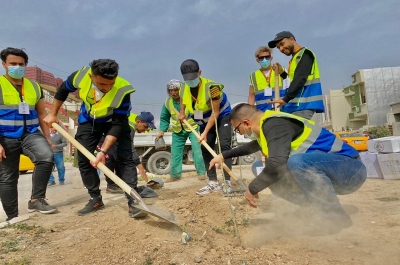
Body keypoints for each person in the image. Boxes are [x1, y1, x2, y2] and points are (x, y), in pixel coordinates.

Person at [209, 103, 367, 234]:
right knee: (271, 177)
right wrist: (223, 156)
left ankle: (334, 217)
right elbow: (251, 147)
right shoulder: (268, 128)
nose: (240, 133)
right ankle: (314, 211)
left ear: (246, 123)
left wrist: (252, 188)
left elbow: (277, 163)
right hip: (334, 172)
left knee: (295, 163)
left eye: (237, 129)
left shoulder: (275, 125)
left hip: (350, 170)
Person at [43, 59, 143, 218]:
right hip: (90, 120)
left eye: (111, 83)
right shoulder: (80, 76)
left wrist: (103, 151)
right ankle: (95, 198)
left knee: (125, 158)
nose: (107, 88)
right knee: (83, 158)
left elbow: (117, 124)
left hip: (115, 122)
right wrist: (53, 113)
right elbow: (62, 91)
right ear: (91, 76)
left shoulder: (123, 90)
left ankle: (133, 201)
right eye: (102, 84)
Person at [0, 47, 57, 221]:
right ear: (4, 64)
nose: (17, 67)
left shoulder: (34, 86)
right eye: (13, 64)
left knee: (46, 157)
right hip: (5, 136)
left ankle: (36, 199)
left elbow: (41, 114)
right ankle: (13, 217)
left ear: (26, 65)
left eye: (21, 64)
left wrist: (47, 137)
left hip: (30, 133)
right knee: (8, 176)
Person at [178, 59, 233, 195]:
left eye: (193, 78)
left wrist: (205, 132)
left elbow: (216, 112)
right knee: (205, 147)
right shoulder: (184, 87)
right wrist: (182, 112)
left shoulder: (213, 88)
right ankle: (213, 182)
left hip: (221, 116)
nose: (190, 81)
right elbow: (183, 99)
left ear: (200, 73)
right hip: (204, 119)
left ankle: (227, 182)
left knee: (224, 147)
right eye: (187, 79)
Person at [156, 79, 206, 182]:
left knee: (197, 151)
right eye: (171, 91)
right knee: (175, 153)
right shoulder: (168, 102)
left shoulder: (190, 98)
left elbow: (199, 113)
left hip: (193, 128)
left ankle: (201, 173)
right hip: (178, 132)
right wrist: (162, 130)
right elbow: (164, 118)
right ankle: (175, 175)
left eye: (176, 90)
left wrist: (201, 127)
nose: (173, 93)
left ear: (181, 90)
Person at [268, 31, 324, 119]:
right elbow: (292, 81)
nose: (281, 49)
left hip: (304, 105)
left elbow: (300, 78)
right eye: (278, 47)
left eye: (282, 44)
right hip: (296, 106)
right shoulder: (294, 59)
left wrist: (285, 99)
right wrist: (282, 73)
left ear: (292, 39)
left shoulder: (305, 54)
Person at [101, 112, 155, 194]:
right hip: (103, 138)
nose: (145, 130)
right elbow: (130, 148)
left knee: (119, 157)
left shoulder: (132, 118)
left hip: (112, 139)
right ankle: (111, 186)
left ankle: (119, 183)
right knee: (110, 157)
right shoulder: (130, 127)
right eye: (145, 126)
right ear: (138, 122)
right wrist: (141, 168)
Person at [248, 46, 288, 112]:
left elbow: (289, 87)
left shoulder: (280, 70)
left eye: (267, 57)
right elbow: (251, 96)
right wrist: (250, 112)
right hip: (263, 111)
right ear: (257, 60)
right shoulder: (253, 76)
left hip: (281, 109)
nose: (264, 59)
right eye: (261, 58)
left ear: (271, 58)